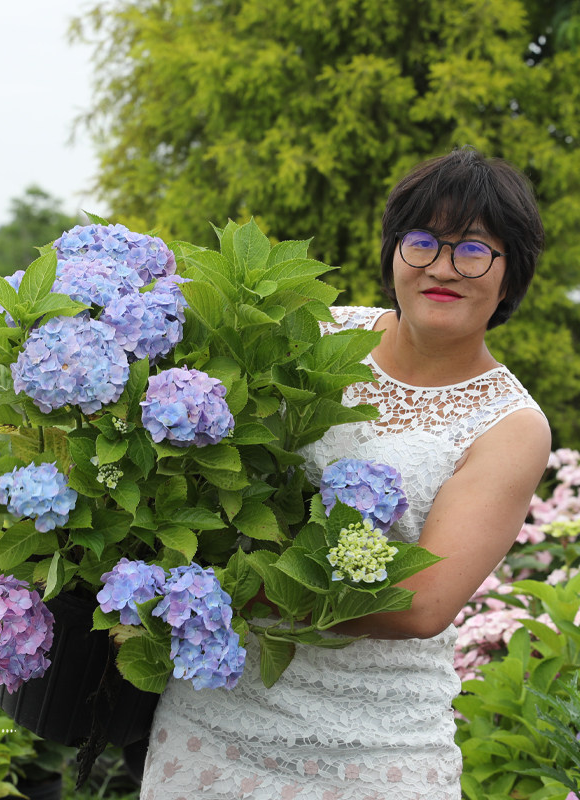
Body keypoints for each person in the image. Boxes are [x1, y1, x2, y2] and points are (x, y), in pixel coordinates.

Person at [137, 148, 551, 800]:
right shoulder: (321, 332)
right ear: (393, 253)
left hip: (376, 748)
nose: (442, 267)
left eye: (474, 250)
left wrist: (220, 593)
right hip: (212, 726)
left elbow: (422, 605)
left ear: (511, 274)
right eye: (422, 242)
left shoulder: (511, 425)